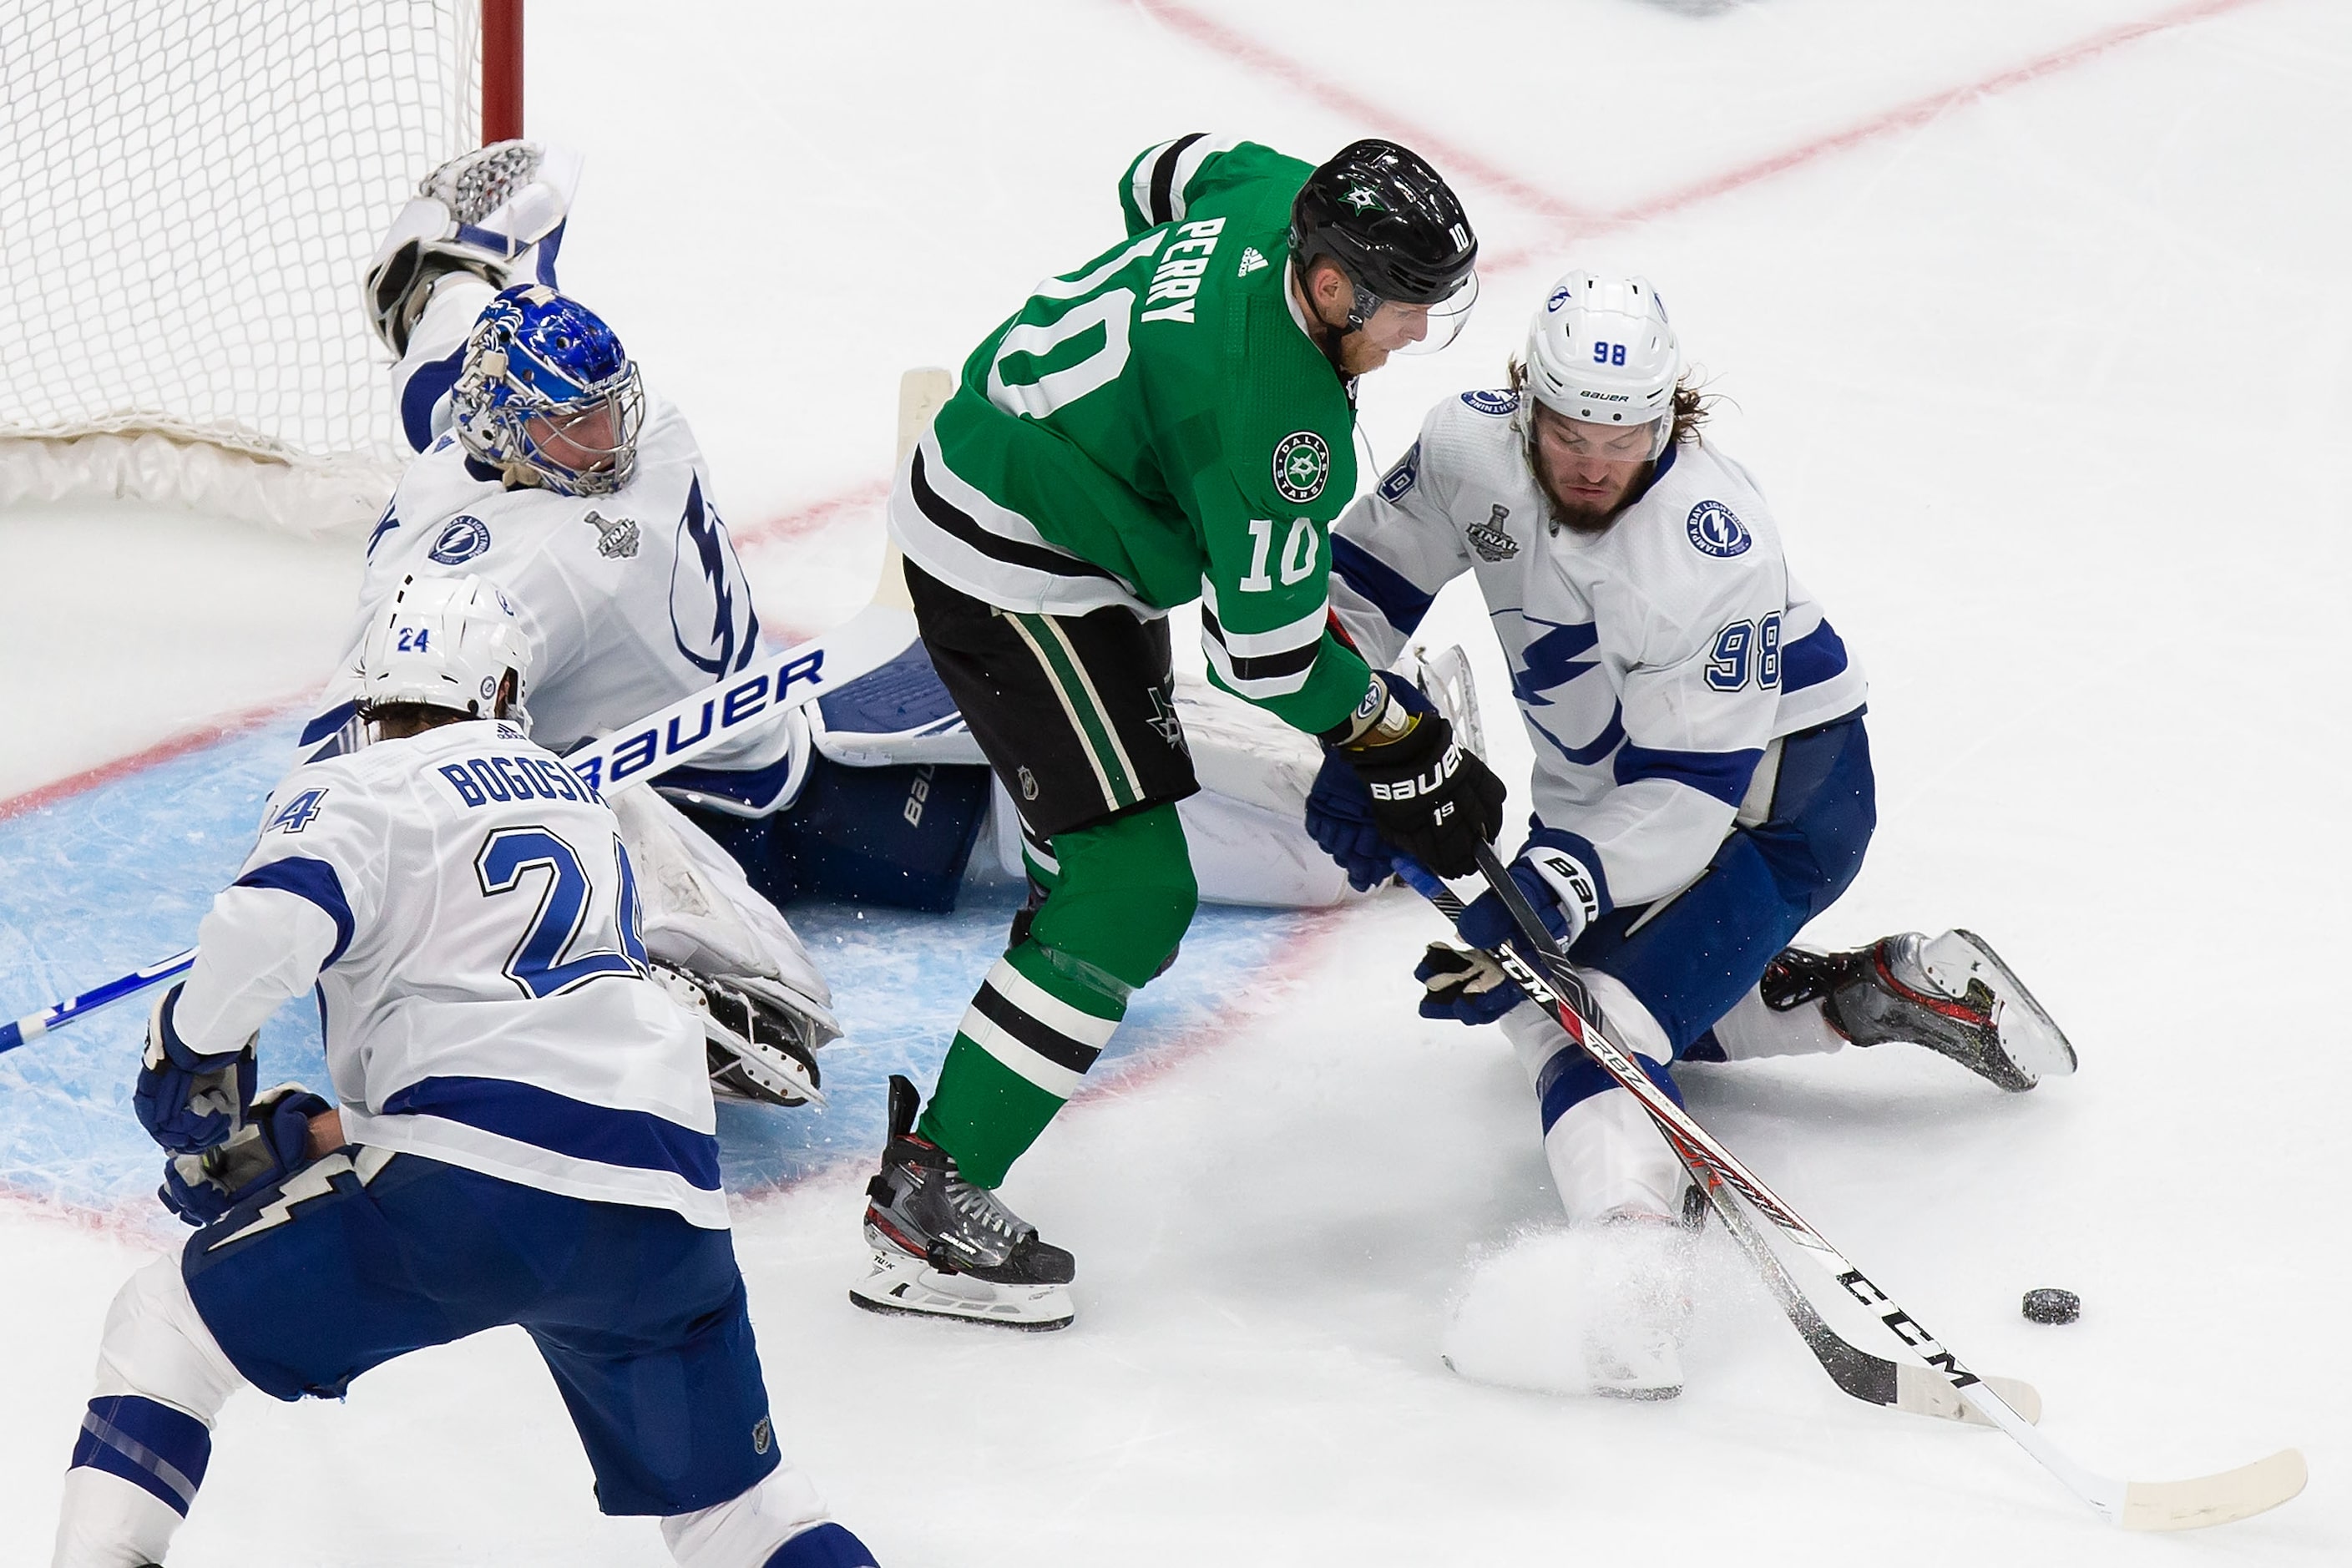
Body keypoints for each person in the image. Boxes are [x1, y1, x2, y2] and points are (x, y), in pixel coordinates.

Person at [330, 144, 1380, 1108]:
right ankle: (619, 962)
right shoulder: (488, 577)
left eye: (613, 408)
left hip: (786, 746)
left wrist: (454, 267)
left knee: (1269, 835)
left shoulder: (483, 406)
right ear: (512, 439)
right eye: (576, 426)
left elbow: (449, 347)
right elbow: (402, 752)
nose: (609, 438)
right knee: (770, 993)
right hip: (682, 804)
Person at [1313, 271, 2076, 1397]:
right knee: (1576, 996)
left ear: (1671, 416)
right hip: (1598, 793)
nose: (1589, 460)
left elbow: (1681, 807)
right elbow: (1356, 593)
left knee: (1585, 1018)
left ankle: (1632, 1267)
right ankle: (1870, 995)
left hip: (1776, 805)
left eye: (1621, 435)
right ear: (1525, 401)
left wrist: (1540, 900)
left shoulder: (1712, 552)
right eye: (1568, 429)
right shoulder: (1469, 449)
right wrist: (1351, 729)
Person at [52, 575, 877, 1567]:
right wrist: (310, 1137)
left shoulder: (358, 787)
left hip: (479, 1193)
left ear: (367, 701)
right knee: (741, 1512)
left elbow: (270, 924)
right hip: (666, 1202)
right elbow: (533, 1053)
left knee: (164, 1328)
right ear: (500, 692)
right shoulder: (580, 802)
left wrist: (188, 1053)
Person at [852, 134, 1504, 1330]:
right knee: (1129, 894)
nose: (1413, 335)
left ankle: (1041, 981)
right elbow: (1258, 658)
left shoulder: (1275, 193)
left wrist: (1145, 381)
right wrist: (1394, 734)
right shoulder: (1273, 423)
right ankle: (921, 1213)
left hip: (1042, 494)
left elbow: (1165, 170)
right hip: (1019, 567)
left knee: (1093, 865)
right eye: (1403, 309)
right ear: (1327, 283)